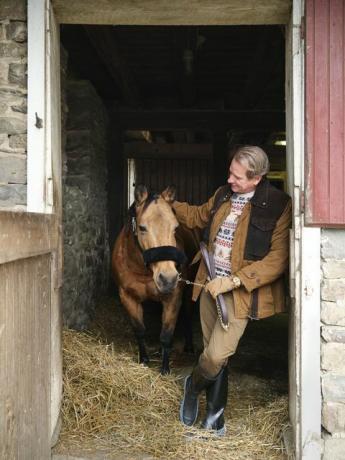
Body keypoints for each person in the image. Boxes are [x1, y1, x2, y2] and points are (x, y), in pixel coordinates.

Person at [172, 145, 292, 435]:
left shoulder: (278, 205)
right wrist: (166, 204)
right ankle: (215, 420)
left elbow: (277, 260)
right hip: (208, 283)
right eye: (230, 173)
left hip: (238, 293)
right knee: (216, 355)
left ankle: (192, 385)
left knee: (215, 356)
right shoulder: (223, 195)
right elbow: (198, 215)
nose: (230, 180)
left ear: (257, 178)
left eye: (237, 177)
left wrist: (235, 280)